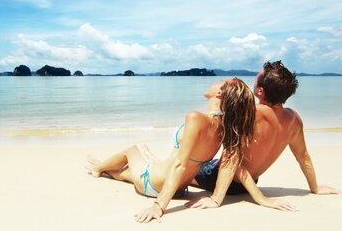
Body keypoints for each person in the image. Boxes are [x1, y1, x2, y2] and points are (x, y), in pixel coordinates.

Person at [86, 78, 259, 223]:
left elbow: (179, 165)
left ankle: (99, 168)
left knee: (136, 148)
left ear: (220, 93)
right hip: (178, 188)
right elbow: (231, 163)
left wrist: (158, 206)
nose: (213, 83)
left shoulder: (197, 118)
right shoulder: (226, 127)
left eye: (219, 82)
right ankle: (105, 169)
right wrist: (217, 199)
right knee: (133, 166)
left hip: (157, 185)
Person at [187, 61, 341, 211]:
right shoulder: (294, 119)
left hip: (218, 178)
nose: (253, 78)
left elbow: (231, 156)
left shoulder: (251, 112)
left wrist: (216, 198)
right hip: (249, 182)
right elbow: (303, 157)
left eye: (256, 76)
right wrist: (315, 187)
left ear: (260, 91)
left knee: (175, 167)